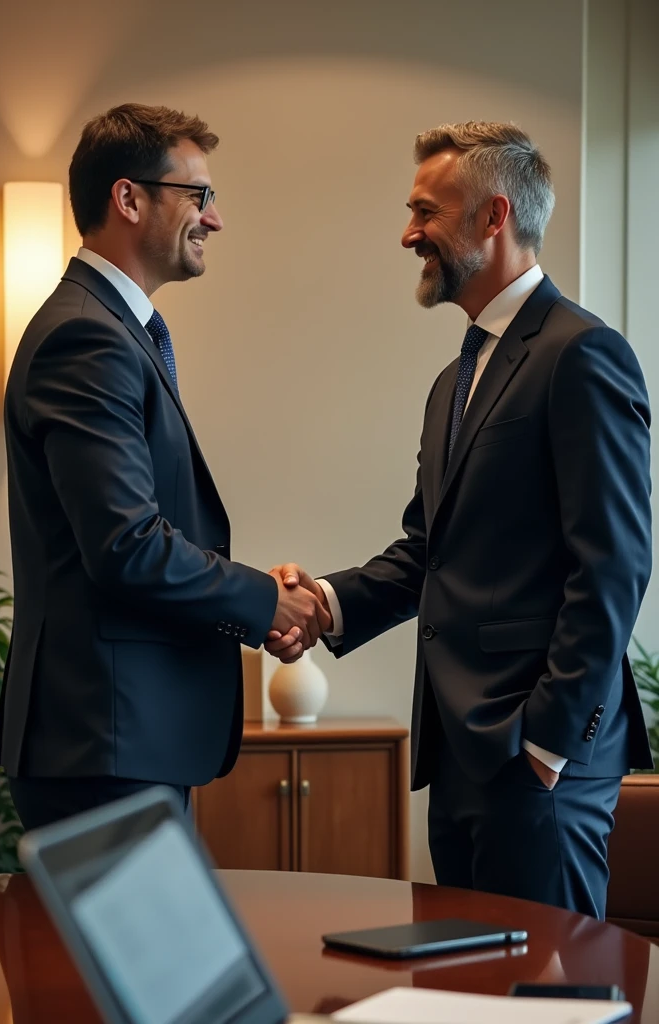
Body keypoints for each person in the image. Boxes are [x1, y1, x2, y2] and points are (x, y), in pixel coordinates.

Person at [266, 121, 653, 919]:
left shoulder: (584, 354)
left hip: (538, 761)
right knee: (469, 988)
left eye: (425, 212)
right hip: (462, 756)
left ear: (493, 217)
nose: (408, 234)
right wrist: (325, 602)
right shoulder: (454, 379)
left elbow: (614, 563)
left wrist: (548, 745)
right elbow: (428, 554)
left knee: (551, 995)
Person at [0, 103, 329, 831]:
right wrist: (264, 602)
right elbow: (126, 546)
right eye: (199, 196)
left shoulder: (112, 331)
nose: (215, 219)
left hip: (122, 743)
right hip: (103, 747)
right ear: (129, 197)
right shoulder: (86, 337)